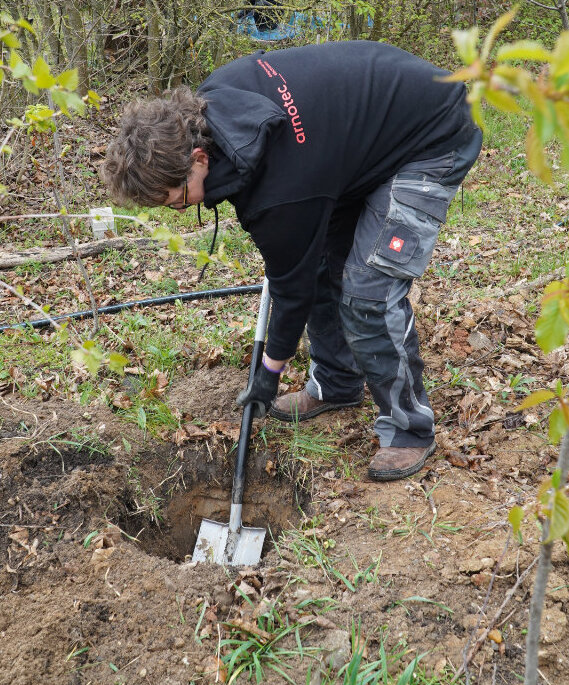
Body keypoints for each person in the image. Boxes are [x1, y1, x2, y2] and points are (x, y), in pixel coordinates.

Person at [103, 40, 482, 482]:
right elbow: (302, 266)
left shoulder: (281, 192)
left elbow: (291, 289)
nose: (177, 209)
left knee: (368, 292)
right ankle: (338, 384)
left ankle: (409, 430)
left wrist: (270, 370)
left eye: (173, 198)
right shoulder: (211, 107)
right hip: (351, 147)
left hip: (430, 134)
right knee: (324, 263)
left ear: (198, 158)